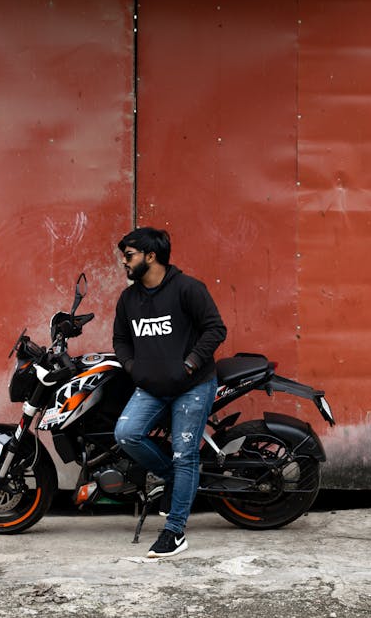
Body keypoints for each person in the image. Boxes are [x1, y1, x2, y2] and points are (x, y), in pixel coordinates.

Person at [113, 227, 227, 558]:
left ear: (151, 256)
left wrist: (190, 364)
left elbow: (215, 328)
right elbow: (120, 339)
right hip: (151, 386)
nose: (124, 260)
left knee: (185, 453)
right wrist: (133, 367)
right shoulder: (128, 299)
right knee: (127, 433)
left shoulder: (187, 288)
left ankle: (175, 532)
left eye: (129, 254)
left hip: (192, 386)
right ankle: (173, 478)